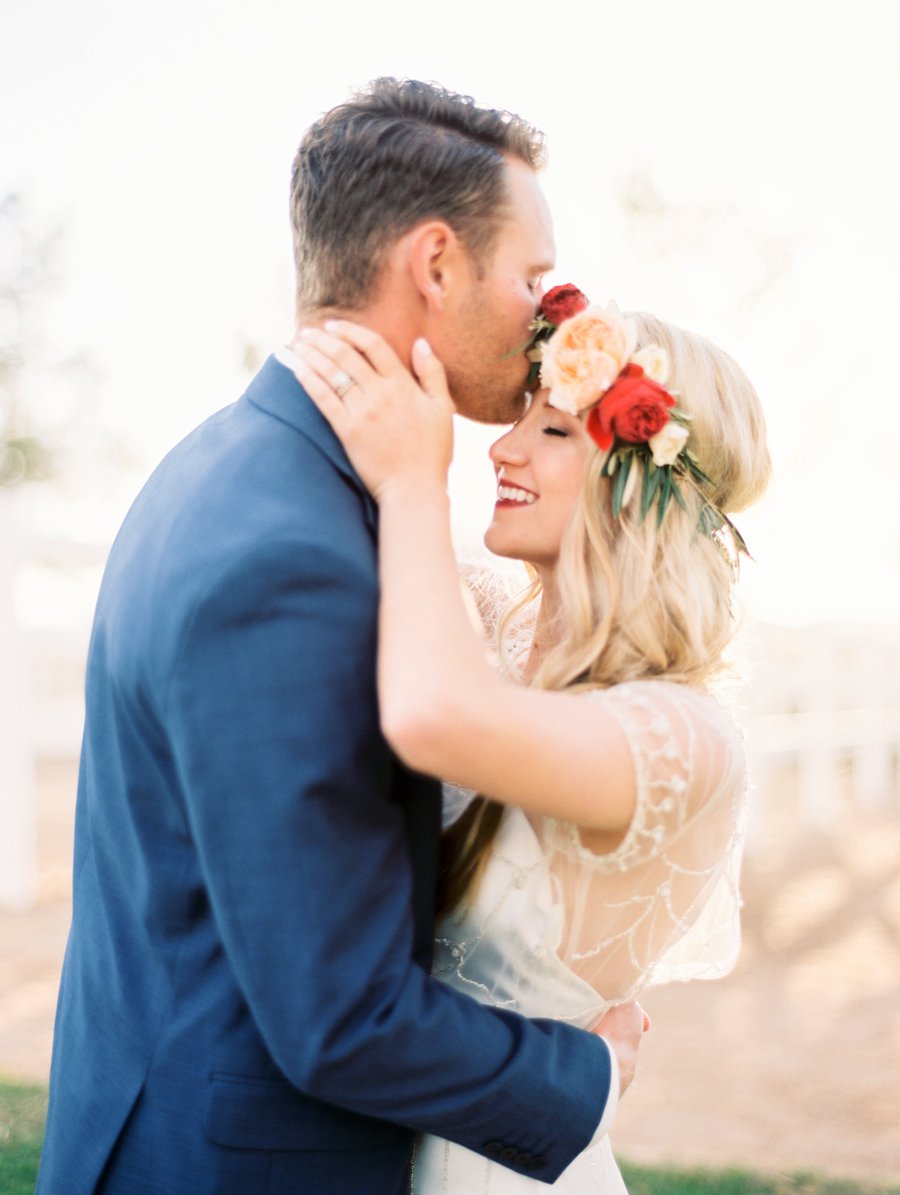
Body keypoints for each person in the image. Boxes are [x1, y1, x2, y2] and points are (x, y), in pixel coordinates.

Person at [37, 81, 646, 1195]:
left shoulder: (230, 465)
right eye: (529, 274)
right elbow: (340, 1014)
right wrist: (588, 1077)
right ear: (434, 264)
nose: (547, 310)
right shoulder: (293, 554)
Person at [286, 288, 771, 1192]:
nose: (501, 448)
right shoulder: (491, 629)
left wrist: (412, 481)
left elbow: (435, 716)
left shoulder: (682, 735)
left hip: (500, 1166)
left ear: (645, 483)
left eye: (553, 432)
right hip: (378, 1136)